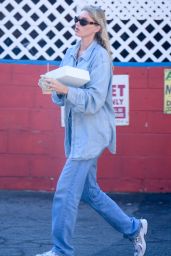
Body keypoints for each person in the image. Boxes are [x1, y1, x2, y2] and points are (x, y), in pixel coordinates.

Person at [36, 5, 148, 256]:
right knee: (90, 192)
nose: (77, 24)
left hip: (92, 135)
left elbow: (96, 99)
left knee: (65, 193)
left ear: (96, 27)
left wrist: (65, 90)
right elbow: (61, 97)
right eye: (76, 20)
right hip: (77, 135)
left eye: (84, 21)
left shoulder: (101, 58)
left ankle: (62, 251)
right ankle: (133, 228)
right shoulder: (70, 51)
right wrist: (51, 86)